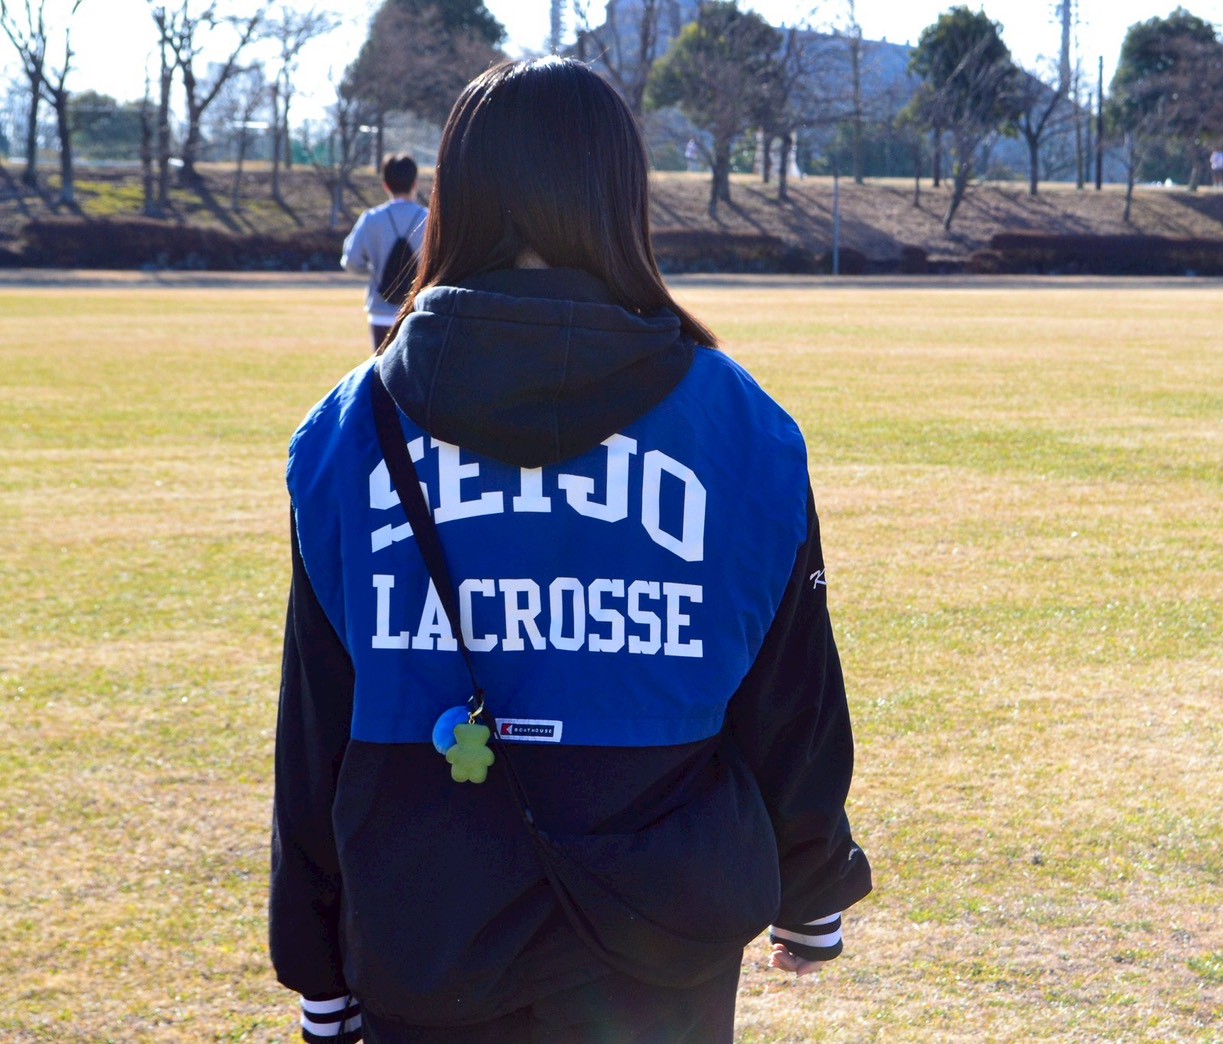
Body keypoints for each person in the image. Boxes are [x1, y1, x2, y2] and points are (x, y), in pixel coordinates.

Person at [271, 57, 872, 1043]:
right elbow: (791, 693)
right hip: (661, 944)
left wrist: (318, 971)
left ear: (457, 197)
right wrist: (811, 887)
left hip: (427, 929)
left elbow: (316, 726)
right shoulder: (742, 425)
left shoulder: (347, 431)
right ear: (619, 196)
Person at [341, 153, 428, 351]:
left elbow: (351, 261)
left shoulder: (371, 219)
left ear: (386, 185)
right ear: (415, 183)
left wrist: (375, 272)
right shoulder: (429, 219)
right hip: (418, 309)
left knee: (381, 368)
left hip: (381, 310)